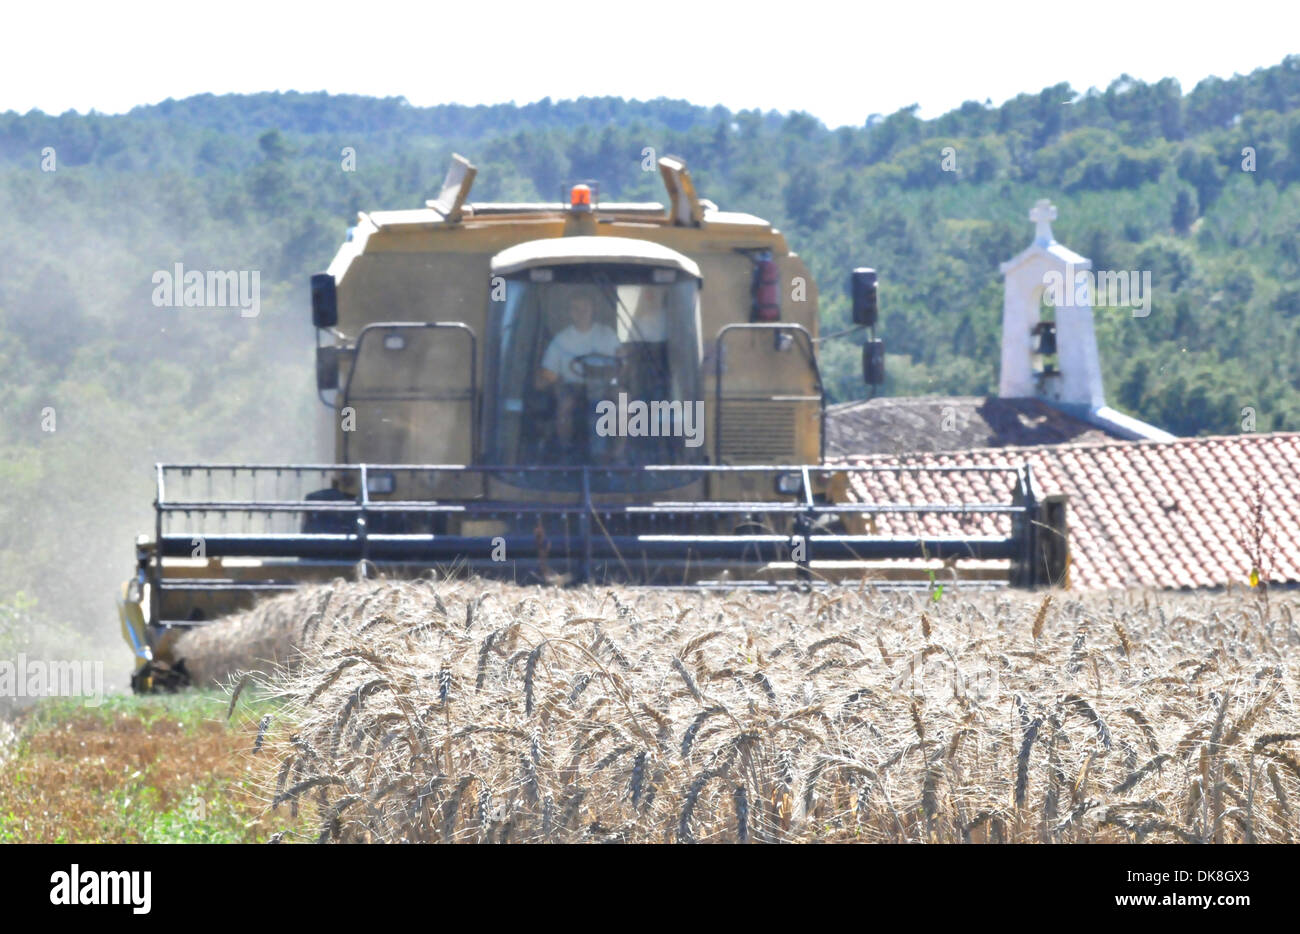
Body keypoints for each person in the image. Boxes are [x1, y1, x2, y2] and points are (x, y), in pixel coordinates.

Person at [535, 294, 621, 455]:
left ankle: (619, 453)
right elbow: (548, 372)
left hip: (605, 385)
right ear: (570, 313)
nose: (581, 313)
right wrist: (554, 380)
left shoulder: (607, 334)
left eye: (585, 309)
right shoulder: (561, 339)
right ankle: (565, 450)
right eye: (576, 309)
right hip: (573, 387)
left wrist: (617, 372)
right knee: (564, 405)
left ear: (592, 310)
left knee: (624, 400)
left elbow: (622, 362)